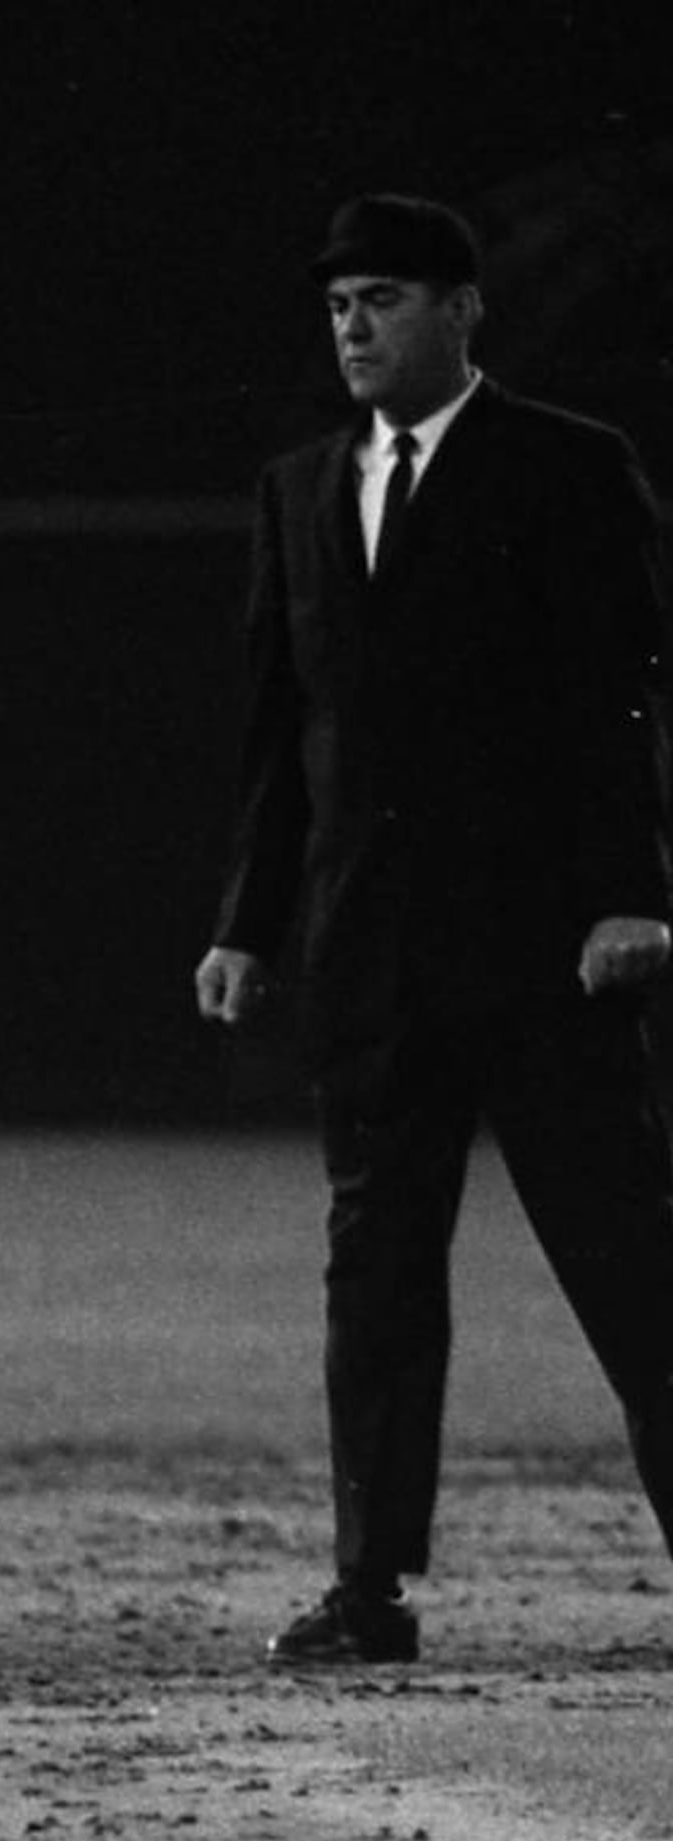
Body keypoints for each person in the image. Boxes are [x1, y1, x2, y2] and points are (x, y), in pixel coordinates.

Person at [196, 193, 673, 1664]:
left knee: (634, 1265)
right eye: (340, 304)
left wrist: (637, 890)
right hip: (374, 957)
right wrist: (248, 921)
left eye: (385, 298)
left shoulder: (568, 468)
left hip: (547, 953)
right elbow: (287, 731)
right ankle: (369, 1589)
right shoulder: (299, 488)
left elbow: (627, 697)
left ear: (465, 312)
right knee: (379, 1274)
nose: (354, 325)